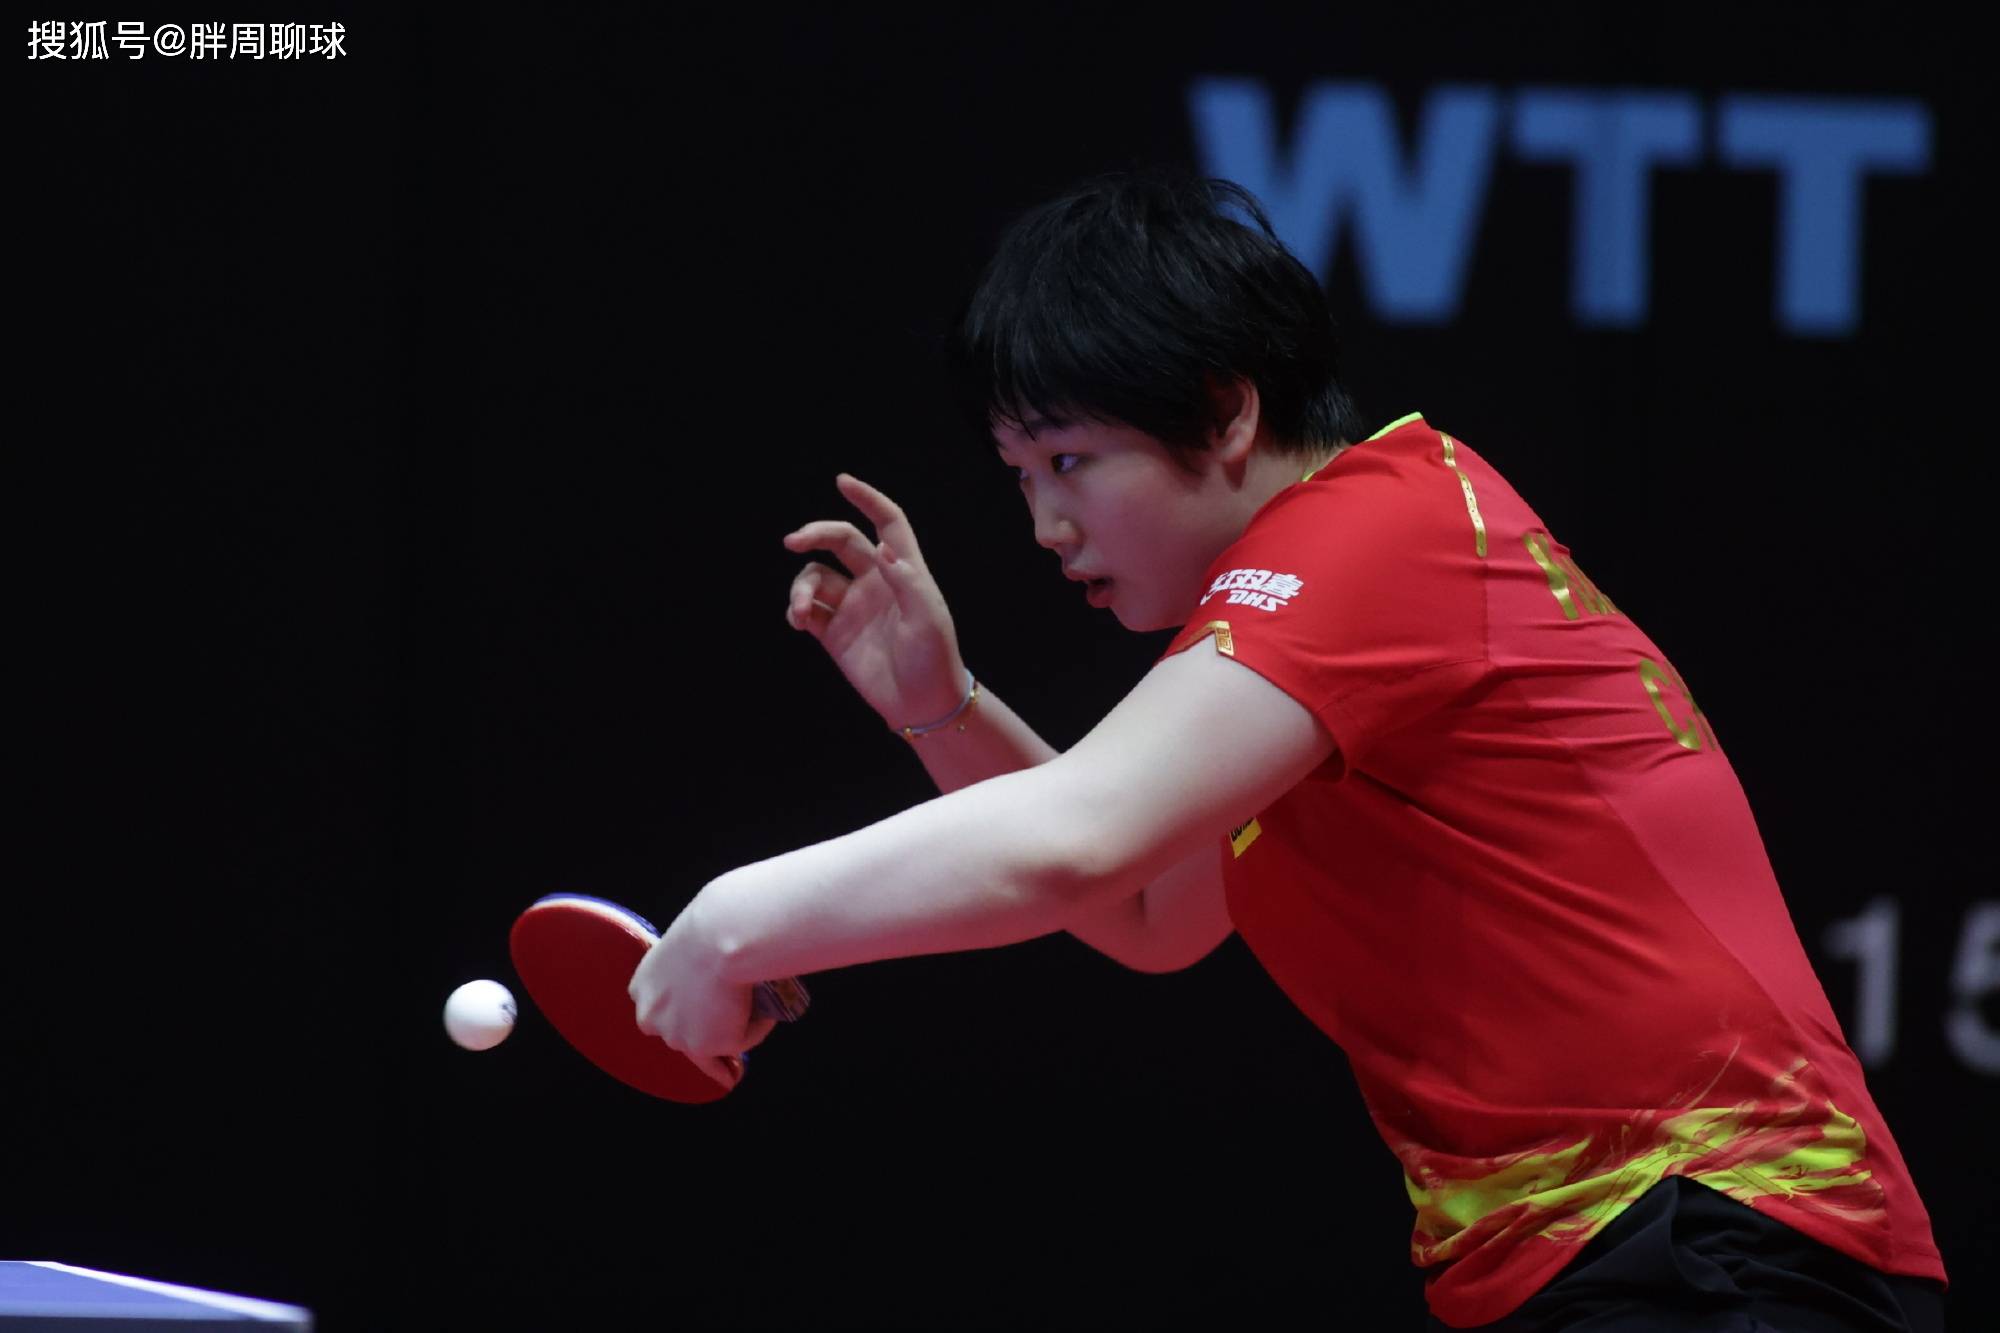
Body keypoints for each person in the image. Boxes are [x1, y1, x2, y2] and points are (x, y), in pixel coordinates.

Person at [628, 171, 1947, 1331]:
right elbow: (1148, 911)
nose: (1044, 525)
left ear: (1224, 412)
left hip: (1722, 1231)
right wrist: (941, 705)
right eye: (1021, 475)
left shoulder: (1376, 530)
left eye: (1072, 460)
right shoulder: (1302, 630)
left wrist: (734, 920)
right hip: (1599, 1258)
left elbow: (1082, 838)